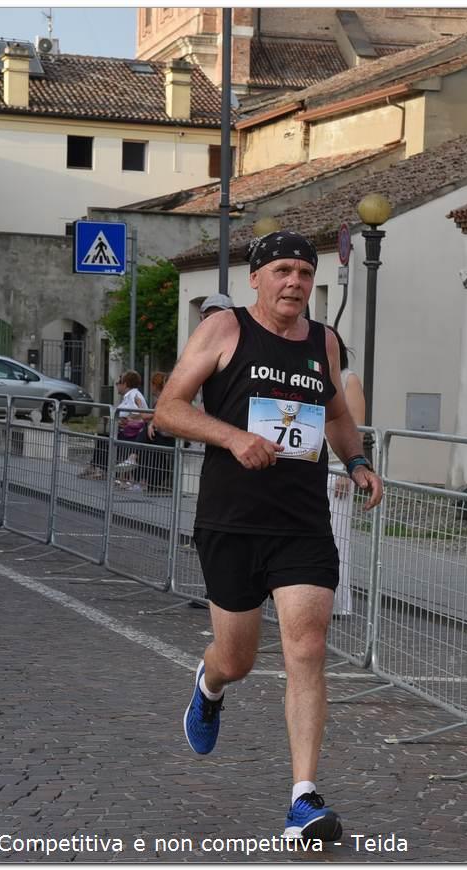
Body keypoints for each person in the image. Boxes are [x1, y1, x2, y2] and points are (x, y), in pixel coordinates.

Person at [154, 229, 382, 841]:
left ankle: (303, 798)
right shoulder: (225, 329)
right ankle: (210, 684)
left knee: (307, 647)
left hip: (301, 522)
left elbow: (336, 414)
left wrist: (357, 461)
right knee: (239, 659)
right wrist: (233, 437)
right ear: (255, 278)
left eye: (305, 273)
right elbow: (169, 408)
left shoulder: (324, 340)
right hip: (232, 519)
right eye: (283, 271)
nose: (295, 283)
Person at [325, 325, 366, 617]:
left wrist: (346, 469)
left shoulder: (347, 379)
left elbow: (357, 427)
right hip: (313, 465)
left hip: (335, 467)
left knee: (337, 537)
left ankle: (339, 604)